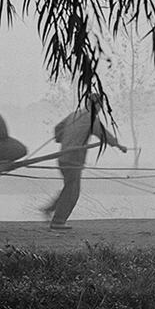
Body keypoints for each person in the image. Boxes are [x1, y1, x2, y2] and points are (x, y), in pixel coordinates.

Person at [43, 94, 127, 230]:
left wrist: (64, 140)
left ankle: (50, 209)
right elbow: (104, 135)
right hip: (73, 159)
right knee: (72, 191)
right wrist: (119, 146)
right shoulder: (91, 118)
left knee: (69, 187)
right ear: (97, 105)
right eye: (100, 106)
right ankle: (58, 221)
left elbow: (58, 128)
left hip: (62, 157)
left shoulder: (74, 115)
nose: (100, 109)